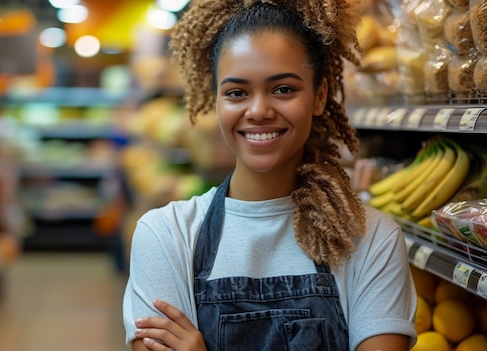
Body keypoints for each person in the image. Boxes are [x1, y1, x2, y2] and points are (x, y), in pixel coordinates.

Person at [123, 1, 417, 350]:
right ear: (216, 101)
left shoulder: (372, 240)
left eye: (283, 89)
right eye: (236, 93)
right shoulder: (165, 236)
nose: (259, 111)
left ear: (320, 95)